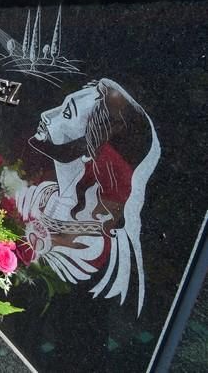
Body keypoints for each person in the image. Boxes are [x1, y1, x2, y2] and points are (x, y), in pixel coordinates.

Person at [17, 78, 160, 315]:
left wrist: (46, 236)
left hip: (75, 279)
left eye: (66, 114)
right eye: (61, 107)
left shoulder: (115, 174)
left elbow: (100, 227)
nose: (45, 114)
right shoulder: (54, 170)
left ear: (99, 130)